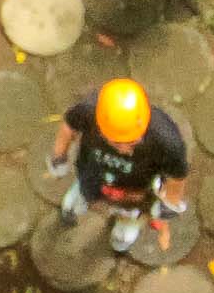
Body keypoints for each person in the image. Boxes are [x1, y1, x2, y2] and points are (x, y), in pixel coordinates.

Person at [49, 77, 191, 253]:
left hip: (135, 193)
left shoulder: (166, 140)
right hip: (91, 175)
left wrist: (169, 204)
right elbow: (69, 126)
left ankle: (120, 239)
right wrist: (59, 156)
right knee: (77, 199)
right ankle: (72, 210)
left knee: (127, 225)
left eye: (132, 141)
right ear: (100, 126)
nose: (124, 150)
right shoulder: (89, 111)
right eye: (116, 143)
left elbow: (177, 174)